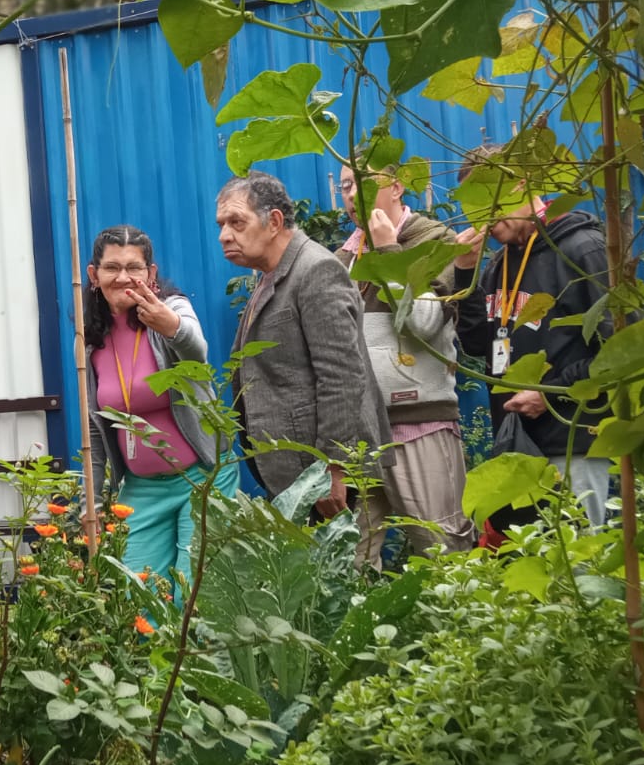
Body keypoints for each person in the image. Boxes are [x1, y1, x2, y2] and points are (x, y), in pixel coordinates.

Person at [452, 149, 614, 528]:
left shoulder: (581, 249)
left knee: (577, 561)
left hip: (570, 440)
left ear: (519, 183)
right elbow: (479, 346)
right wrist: (464, 273)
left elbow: (617, 353)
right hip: (516, 446)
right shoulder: (498, 263)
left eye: (486, 201)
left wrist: (550, 394)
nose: (482, 218)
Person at [218, 171, 393, 515]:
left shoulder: (315, 271)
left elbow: (342, 376)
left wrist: (331, 469)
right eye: (221, 224)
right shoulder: (273, 273)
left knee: (343, 566)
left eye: (237, 222)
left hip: (323, 475)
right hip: (296, 473)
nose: (225, 235)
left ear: (274, 221)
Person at [83, 225, 240, 589]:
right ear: (94, 275)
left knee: (197, 595)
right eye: (112, 268)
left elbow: (196, 350)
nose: (123, 277)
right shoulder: (92, 341)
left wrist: (171, 328)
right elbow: (94, 426)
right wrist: (89, 500)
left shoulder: (171, 308)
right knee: (139, 594)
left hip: (202, 478)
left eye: (134, 268)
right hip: (142, 487)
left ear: (150, 274)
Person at [336, 166, 474, 561]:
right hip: (360, 429)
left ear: (396, 187)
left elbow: (425, 323)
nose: (351, 194)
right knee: (354, 560)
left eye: (362, 183)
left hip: (418, 420)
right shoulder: (343, 257)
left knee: (442, 551)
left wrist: (388, 252)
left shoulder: (435, 242)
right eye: (345, 186)